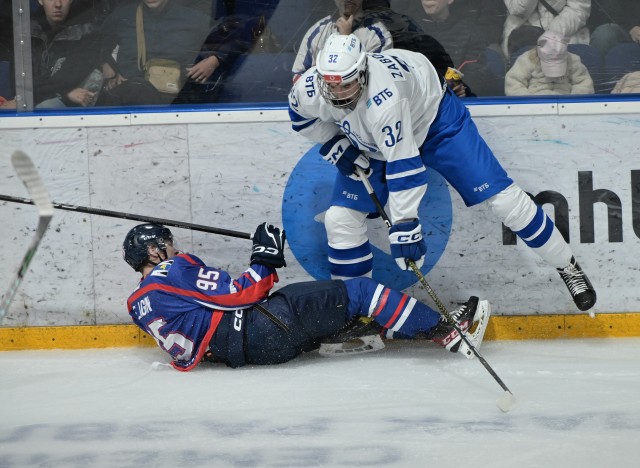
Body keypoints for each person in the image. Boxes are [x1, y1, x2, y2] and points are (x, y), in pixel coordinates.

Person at [287, 33, 597, 312]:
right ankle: (353, 312)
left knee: (505, 201)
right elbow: (300, 118)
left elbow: (404, 166)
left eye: (346, 82)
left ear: (363, 71)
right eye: (331, 83)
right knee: (340, 218)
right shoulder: (312, 87)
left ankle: (567, 264)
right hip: (375, 139)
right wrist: (335, 143)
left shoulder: (384, 98)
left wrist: (405, 224)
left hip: (436, 122)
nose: (338, 92)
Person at [123, 222, 491, 371]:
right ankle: (447, 332)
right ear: (154, 253)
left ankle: (348, 336)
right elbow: (241, 294)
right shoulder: (169, 271)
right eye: (167, 244)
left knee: (327, 308)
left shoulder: (138, 303)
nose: (174, 247)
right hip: (262, 328)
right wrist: (263, 257)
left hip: (252, 354)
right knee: (359, 291)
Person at [98, 0, 215, 105]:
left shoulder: (193, 18)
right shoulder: (123, 16)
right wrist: (107, 65)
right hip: (129, 99)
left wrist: (214, 60)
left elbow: (227, 34)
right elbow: (94, 42)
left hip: (176, 99)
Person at [1, 0, 112, 109]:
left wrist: (23, 100)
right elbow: (21, 82)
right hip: (32, 109)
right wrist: (66, 95)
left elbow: (64, 81)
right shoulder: (26, 34)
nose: (57, 4)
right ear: (40, 1)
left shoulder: (88, 34)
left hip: (72, 116)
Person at [418, 0, 507, 96]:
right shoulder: (410, 29)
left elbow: (475, 72)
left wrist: (462, 88)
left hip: (462, 102)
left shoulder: (470, 30)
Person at [292, 0, 392, 83]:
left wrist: (345, 38)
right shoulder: (318, 32)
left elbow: (379, 81)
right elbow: (299, 79)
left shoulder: (378, 35)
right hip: (322, 105)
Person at [505, 30, 594, 95]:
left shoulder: (573, 60)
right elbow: (514, 82)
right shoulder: (526, 59)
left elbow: (584, 82)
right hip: (534, 104)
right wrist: (527, 102)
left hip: (566, 103)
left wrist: (575, 101)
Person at [502, 0, 591, 59]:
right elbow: (518, 10)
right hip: (522, 34)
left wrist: (550, 34)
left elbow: (578, 10)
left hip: (564, 32)